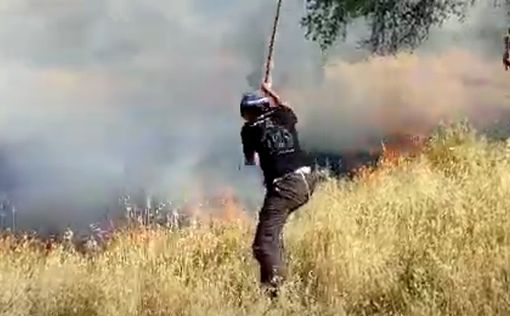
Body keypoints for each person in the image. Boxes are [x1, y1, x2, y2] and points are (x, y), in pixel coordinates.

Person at [239, 82, 319, 298]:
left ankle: (276, 293)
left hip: (286, 185)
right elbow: (285, 105)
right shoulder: (283, 115)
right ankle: (277, 276)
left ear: (249, 112)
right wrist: (269, 91)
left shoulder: (249, 130)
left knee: (263, 243)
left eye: (245, 113)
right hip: (308, 179)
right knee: (273, 236)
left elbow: (250, 161)